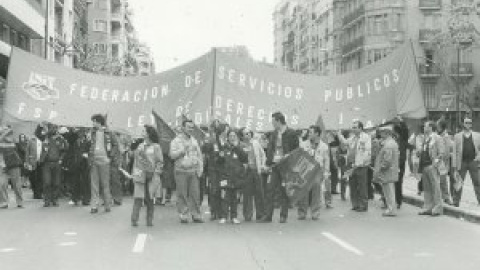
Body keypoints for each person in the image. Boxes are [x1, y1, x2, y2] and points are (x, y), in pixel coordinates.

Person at [258, 112, 299, 223]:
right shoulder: (274, 134)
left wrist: (289, 155)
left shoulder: (291, 133)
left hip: (285, 166)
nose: (272, 123)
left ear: (278, 121)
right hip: (274, 166)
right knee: (270, 189)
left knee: (284, 190)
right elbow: (270, 149)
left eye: (273, 121)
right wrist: (267, 164)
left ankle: (283, 215)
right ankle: (268, 216)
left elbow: (297, 150)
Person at [170, 119, 204, 223]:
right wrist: (182, 150)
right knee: (182, 194)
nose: (191, 129)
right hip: (181, 171)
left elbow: (199, 155)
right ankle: (183, 215)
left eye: (192, 127)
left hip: (193, 171)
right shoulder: (176, 141)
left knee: (195, 194)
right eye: (188, 127)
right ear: (183, 128)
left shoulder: (194, 140)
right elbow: (172, 155)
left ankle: (196, 215)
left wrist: (200, 168)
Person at [131, 125, 163, 227]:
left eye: (144, 131)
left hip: (151, 176)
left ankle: (149, 220)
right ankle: (134, 220)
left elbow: (160, 162)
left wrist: (156, 173)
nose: (142, 132)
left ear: (148, 133)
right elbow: (136, 161)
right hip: (140, 176)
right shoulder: (140, 146)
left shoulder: (156, 147)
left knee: (149, 199)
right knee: (138, 199)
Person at [88, 114, 120, 214]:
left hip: (105, 161)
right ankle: (94, 206)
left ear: (98, 122)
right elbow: (90, 144)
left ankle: (107, 204)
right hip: (94, 160)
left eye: (94, 121)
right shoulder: (92, 132)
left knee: (105, 184)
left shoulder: (109, 132)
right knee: (94, 184)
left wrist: (110, 157)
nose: (93, 123)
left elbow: (115, 145)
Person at [337, 120, 372, 212]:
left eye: (355, 127)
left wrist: (360, 163)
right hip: (351, 165)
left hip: (361, 166)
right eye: (352, 127)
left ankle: (363, 205)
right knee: (352, 185)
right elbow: (345, 143)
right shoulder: (352, 138)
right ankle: (355, 204)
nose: (353, 129)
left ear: (360, 128)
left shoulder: (366, 137)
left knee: (362, 186)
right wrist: (339, 135)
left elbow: (367, 152)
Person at [298, 125, 330, 220]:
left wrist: (326, 171)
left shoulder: (324, 146)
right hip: (305, 171)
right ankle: (302, 213)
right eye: (308, 132)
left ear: (316, 133)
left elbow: (326, 160)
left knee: (316, 190)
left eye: (311, 132)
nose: (309, 134)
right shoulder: (303, 144)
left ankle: (315, 212)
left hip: (317, 171)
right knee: (303, 192)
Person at [217, 130, 248, 224]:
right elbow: (218, 162)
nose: (232, 137)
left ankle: (234, 217)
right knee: (225, 197)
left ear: (237, 137)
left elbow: (244, 158)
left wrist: (236, 148)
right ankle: (224, 216)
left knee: (235, 198)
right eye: (230, 135)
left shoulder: (240, 147)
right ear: (228, 137)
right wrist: (220, 157)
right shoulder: (223, 147)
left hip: (237, 177)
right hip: (225, 177)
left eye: (234, 136)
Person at [451, 117, 480, 207]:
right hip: (462, 162)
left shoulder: (477, 135)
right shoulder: (457, 136)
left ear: (471, 124)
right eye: (466, 122)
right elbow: (454, 151)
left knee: (477, 182)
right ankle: (456, 202)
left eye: (469, 123)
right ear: (464, 124)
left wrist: (478, 157)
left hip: (473, 162)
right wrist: (454, 165)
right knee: (458, 182)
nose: (468, 124)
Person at [418, 121, 445, 216]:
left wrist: (435, 164)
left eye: (425, 126)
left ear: (430, 127)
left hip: (432, 166)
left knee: (435, 187)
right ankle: (428, 207)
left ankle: (438, 207)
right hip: (424, 166)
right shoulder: (425, 138)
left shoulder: (437, 138)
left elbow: (441, 153)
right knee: (427, 188)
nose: (424, 127)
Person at [203, 122, 229, 220]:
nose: (227, 132)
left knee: (223, 189)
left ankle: (222, 211)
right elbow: (205, 150)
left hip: (224, 170)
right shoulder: (213, 141)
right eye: (225, 130)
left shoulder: (227, 142)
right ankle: (213, 211)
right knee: (214, 190)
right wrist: (208, 141)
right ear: (221, 131)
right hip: (214, 170)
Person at [240, 128, 266, 222]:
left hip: (256, 170)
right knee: (247, 194)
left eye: (248, 133)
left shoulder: (256, 143)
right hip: (247, 171)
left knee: (259, 193)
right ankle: (247, 214)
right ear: (242, 136)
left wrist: (262, 165)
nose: (247, 135)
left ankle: (261, 214)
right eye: (245, 134)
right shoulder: (241, 145)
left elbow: (263, 155)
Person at [373, 125, 399, 217]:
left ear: (387, 133)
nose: (380, 134)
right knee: (388, 191)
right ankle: (391, 209)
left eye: (382, 132)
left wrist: (381, 168)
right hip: (389, 171)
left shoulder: (389, 144)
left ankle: (391, 210)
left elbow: (387, 160)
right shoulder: (390, 143)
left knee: (389, 191)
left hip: (388, 171)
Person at [40, 124, 68, 207]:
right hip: (46, 163)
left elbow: (65, 149)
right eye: (52, 128)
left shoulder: (60, 139)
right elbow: (38, 133)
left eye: (55, 128)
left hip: (56, 163)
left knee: (56, 183)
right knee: (47, 182)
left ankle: (55, 199)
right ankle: (47, 200)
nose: (54, 129)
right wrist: (41, 125)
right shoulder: (45, 138)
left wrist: (61, 159)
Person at [0, 126, 24, 209]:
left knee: (16, 185)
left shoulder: (12, 140)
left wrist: (4, 132)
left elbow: (11, 130)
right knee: (1, 184)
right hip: (2, 165)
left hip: (14, 164)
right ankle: (4, 202)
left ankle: (20, 201)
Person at [437, 120, 453, 205]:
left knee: (443, 181)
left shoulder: (445, 137)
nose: (437, 127)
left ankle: (446, 198)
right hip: (437, 161)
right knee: (438, 181)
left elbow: (446, 152)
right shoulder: (438, 135)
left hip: (442, 162)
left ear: (441, 127)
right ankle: (441, 197)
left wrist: (442, 159)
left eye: (438, 126)